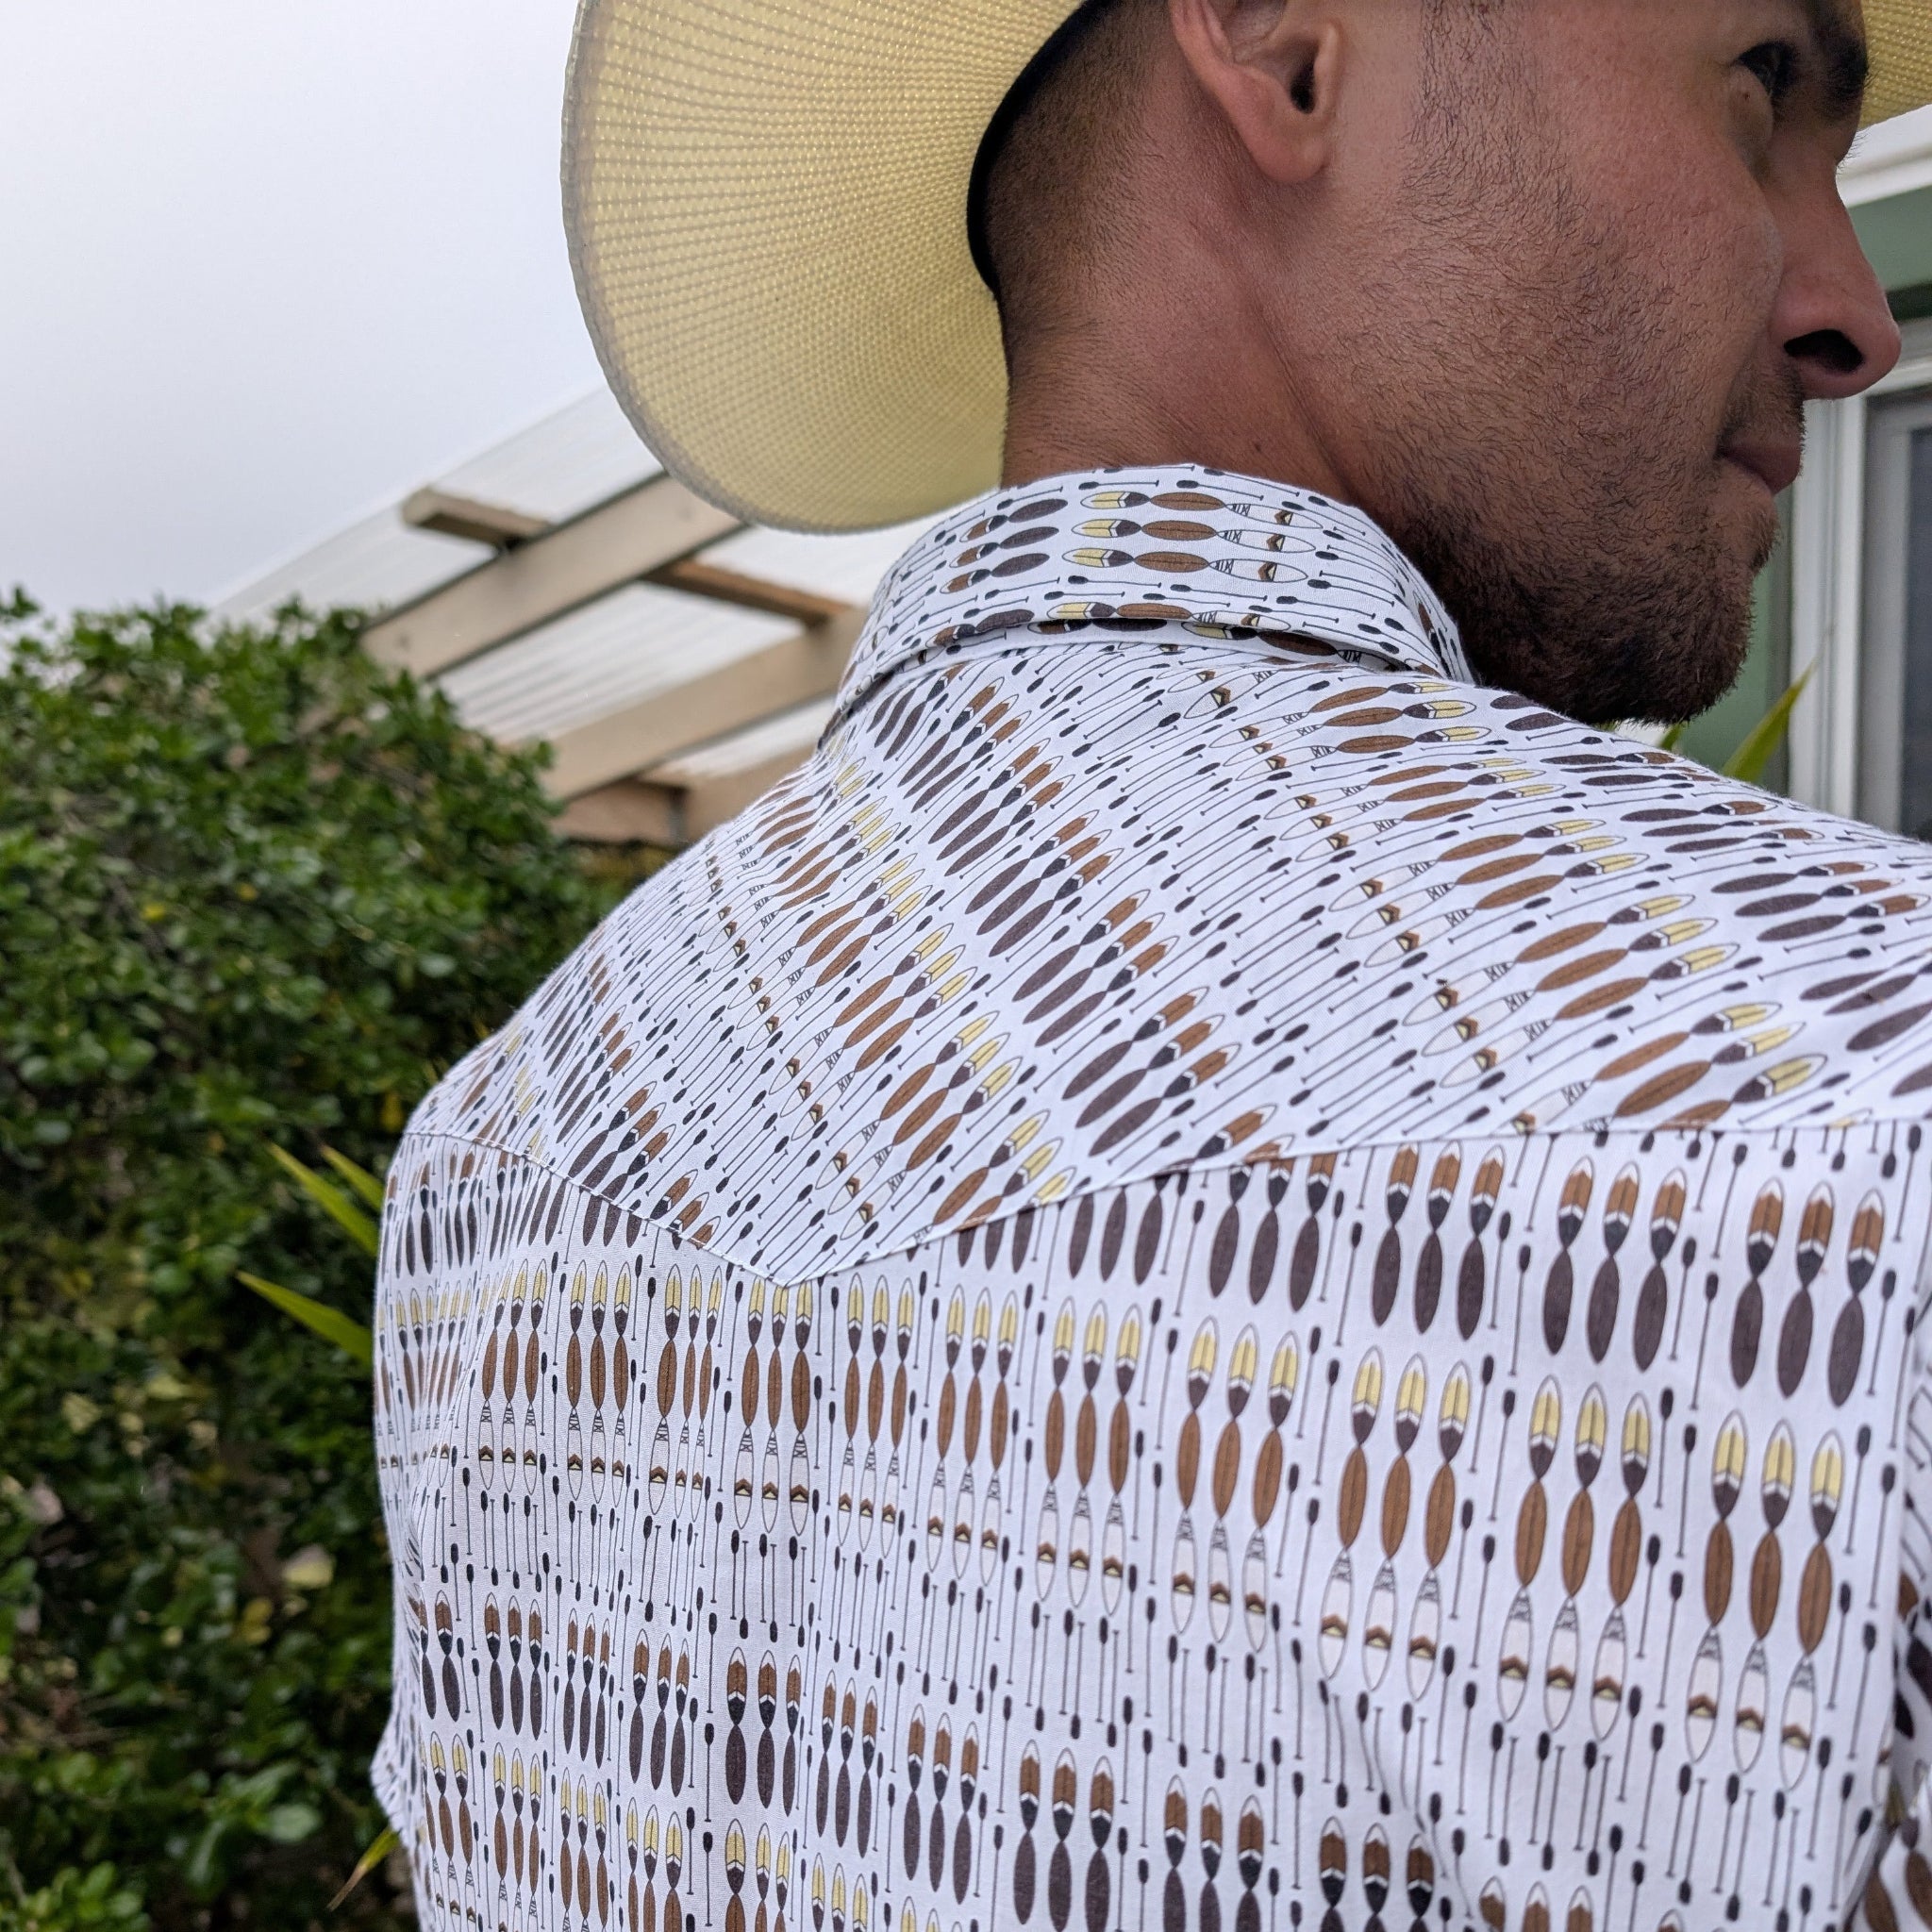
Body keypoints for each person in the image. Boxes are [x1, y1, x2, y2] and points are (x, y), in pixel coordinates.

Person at [370, 3, 1932, 1927]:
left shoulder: (491, 1168)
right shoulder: (1862, 1099)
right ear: (1288, 57)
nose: (1853, 309)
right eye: (1761, 86)